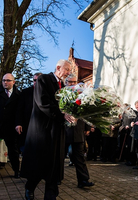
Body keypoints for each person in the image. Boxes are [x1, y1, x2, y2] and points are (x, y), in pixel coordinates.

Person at [21, 59, 73, 200]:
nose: (69, 73)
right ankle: (30, 187)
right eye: (67, 69)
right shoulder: (44, 79)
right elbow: (42, 102)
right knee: (39, 165)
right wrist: (62, 114)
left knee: (54, 165)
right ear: (58, 67)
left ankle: (51, 196)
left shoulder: (63, 85)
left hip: (57, 130)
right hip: (43, 130)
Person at [64, 74, 94, 188]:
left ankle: (83, 180)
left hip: (78, 131)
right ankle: (55, 178)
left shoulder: (82, 95)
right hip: (64, 130)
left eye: (73, 82)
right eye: (69, 82)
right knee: (59, 156)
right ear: (65, 82)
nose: (72, 84)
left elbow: (86, 114)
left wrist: (86, 128)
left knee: (80, 157)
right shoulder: (61, 94)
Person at [15, 72, 42, 153]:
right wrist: (18, 123)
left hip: (41, 126)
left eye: (38, 80)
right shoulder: (25, 92)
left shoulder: (47, 92)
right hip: (27, 124)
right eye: (34, 80)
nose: (36, 82)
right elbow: (19, 109)